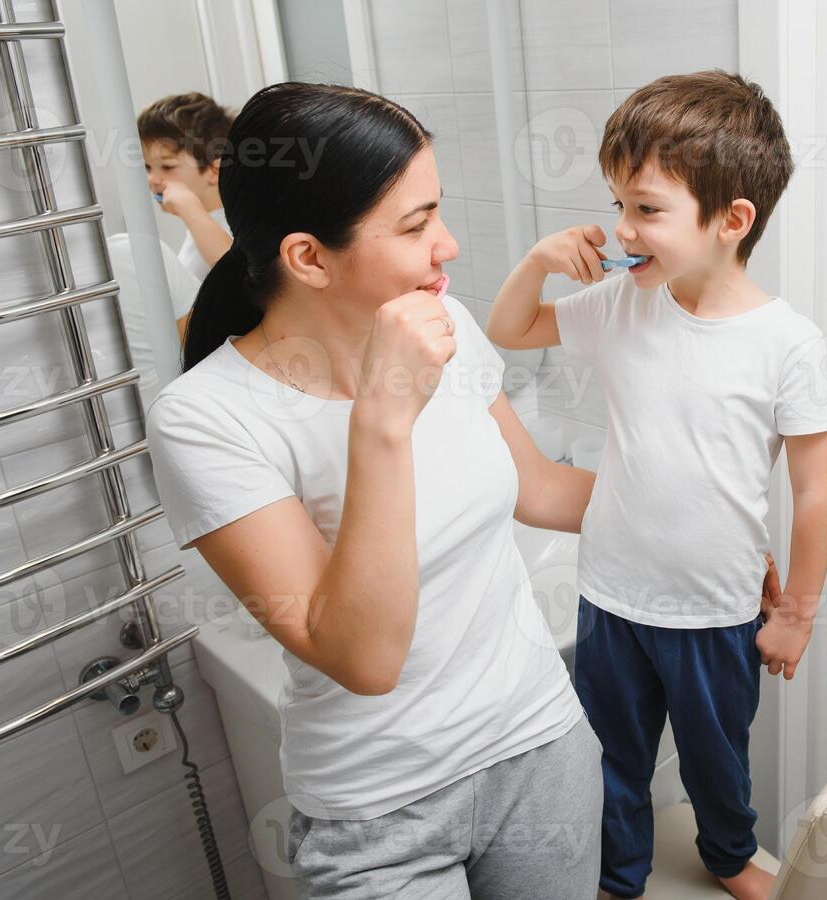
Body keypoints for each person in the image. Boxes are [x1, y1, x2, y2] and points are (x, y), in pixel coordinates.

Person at [144, 82, 603, 899]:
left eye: (438, 213)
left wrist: (711, 529)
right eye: (418, 225)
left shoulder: (450, 327)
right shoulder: (205, 419)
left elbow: (539, 488)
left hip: (540, 747)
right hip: (378, 814)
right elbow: (362, 655)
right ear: (308, 258)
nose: (449, 246)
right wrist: (384, 419)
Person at [486, 70, 827, 900]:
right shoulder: (619, 305)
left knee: (719, 756)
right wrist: (540, 259)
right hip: (610, 596)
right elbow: (508, 328)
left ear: (731, 220)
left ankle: (728, 855)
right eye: (617, 204)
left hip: (717, 608)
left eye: (646, 209)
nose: (620, 229)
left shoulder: (784, 342)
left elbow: (816, 491)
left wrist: (795, 614)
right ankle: (619, 876)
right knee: (610, 759)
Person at [138, 92, 235, 282]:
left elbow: (236, 273)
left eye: (167, 166)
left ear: (214, 171)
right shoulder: (199, 225)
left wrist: (188, 207)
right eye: (147, 167)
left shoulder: (234, 223)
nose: (152, 179)